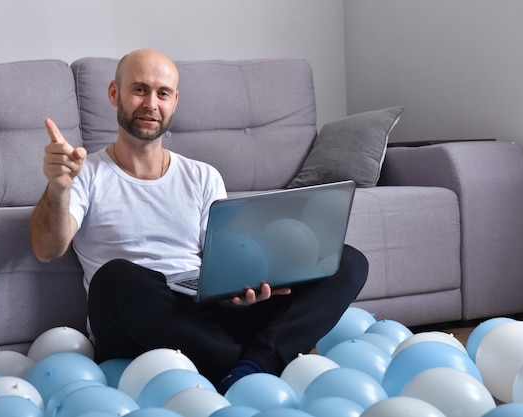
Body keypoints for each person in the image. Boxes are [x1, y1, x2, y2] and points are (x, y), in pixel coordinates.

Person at [29, 48, 368, 394]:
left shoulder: (202, 176)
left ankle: (249, 367)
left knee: (347, 261)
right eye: (139, 90)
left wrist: (236, 291)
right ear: (114, 93)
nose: (151, 104)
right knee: (113, 277)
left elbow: (224, 262)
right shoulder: (86, 174)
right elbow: (46, 248)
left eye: (162, 94)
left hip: (204, 313)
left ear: (174, 101)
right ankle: (259, 360)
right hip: (136, 318)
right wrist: (58, 188)